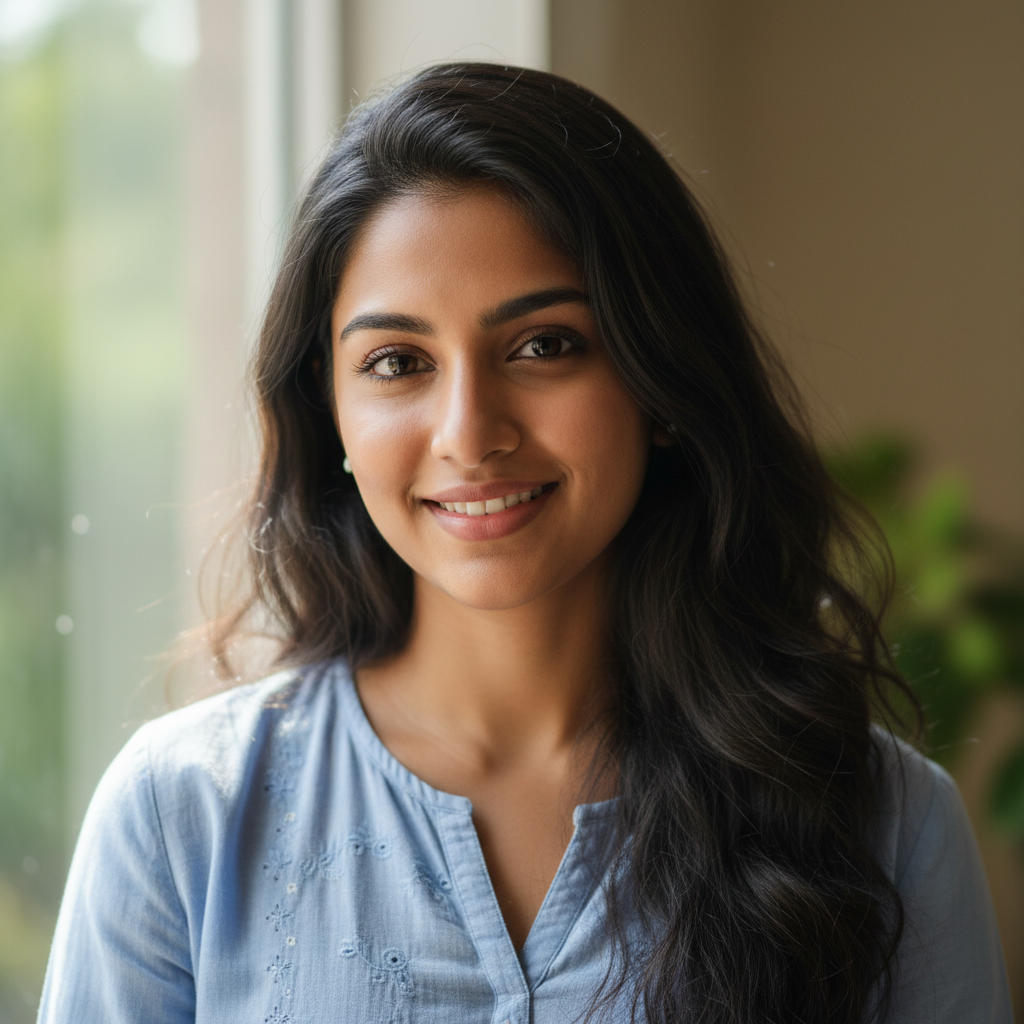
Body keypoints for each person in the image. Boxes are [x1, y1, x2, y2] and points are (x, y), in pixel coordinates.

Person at [38, 63, 1011, 1024]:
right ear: (326, 411)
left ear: (660, 380)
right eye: (396, 362)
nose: (469, 431)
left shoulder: (884, 823)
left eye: (543, 344)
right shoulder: (182, 816)